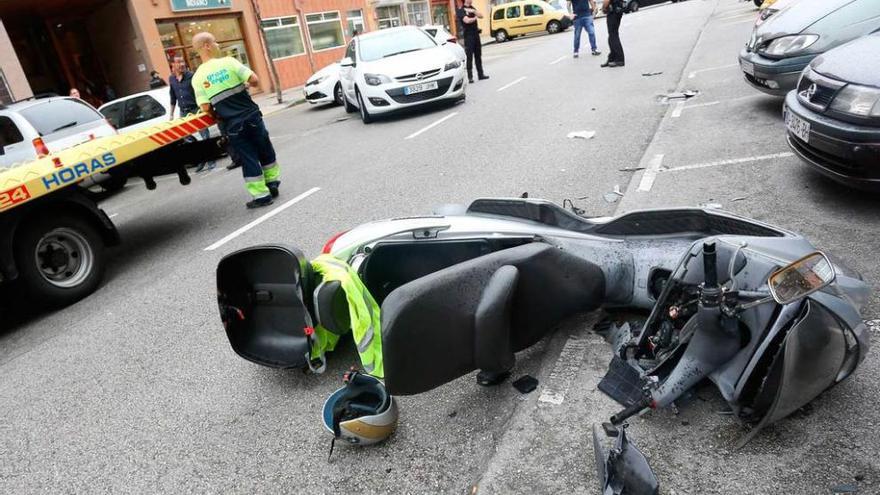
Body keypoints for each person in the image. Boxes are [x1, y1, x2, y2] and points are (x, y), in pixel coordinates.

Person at [191, 32, 280, 209]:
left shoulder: (198, 77)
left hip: (232, 124)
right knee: (265, 149)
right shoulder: (229, 62)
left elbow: (206, 108)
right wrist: (244, 85)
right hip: (252, 116)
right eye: (215, 42)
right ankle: (272, 184)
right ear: (207, 45)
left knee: (248, 158)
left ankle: (261, 196)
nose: (217, 45)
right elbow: (254, 80)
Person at [169, 55, 214, 173]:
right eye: (178, 62)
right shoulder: (172, 79)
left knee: (205, 136)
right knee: (185, 136)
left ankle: (210, 160)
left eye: (183, 61)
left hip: (196, 109)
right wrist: (171, 114)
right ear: (173, 65)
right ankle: (201, 158)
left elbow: (203, 90)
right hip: (183, 111)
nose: (182, 64)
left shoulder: (192, 76)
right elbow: (173, 97)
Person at [456, 0, 489, 84]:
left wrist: (474, 11)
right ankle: (470, 77)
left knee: (478, 55)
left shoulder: (472, 8)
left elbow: (481, 16)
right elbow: (467, 21)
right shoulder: (461, 10)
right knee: (469, 56)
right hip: (468, 36)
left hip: (476, 35)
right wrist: (475, 17)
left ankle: (480, 74)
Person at [601, 0, 625, 67]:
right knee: (611, 36)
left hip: (613, 11)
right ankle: (612, 58)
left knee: (613, 36)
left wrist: (603, 8)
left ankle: (620, 60)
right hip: (617, 10)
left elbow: (606, 1)